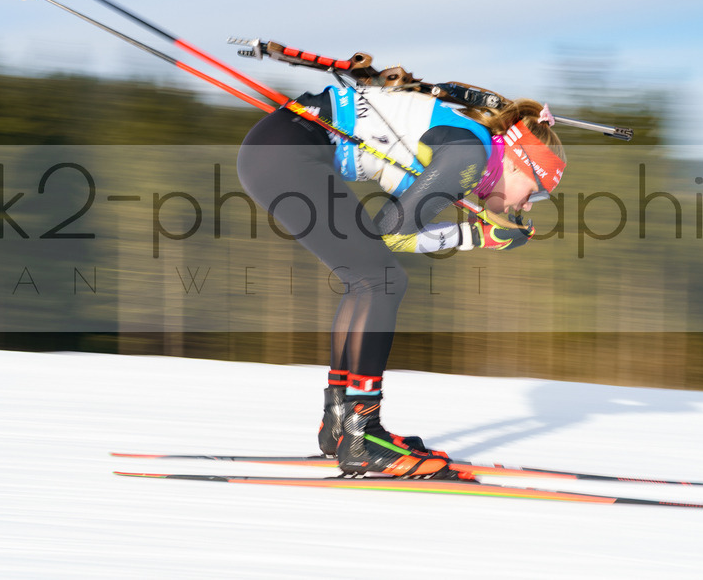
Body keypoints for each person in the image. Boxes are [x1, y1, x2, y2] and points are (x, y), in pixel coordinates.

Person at [236, 81, 566, 480]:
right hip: (287, 153)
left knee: (370, 278)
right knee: (382, 281)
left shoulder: (469, 147)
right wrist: (478, 237)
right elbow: (392, 233)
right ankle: (362, 436)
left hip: (279, 148)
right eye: (536, 191)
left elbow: (391, 229)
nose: (528, 205)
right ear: (515, 161)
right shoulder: (471, 155)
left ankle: (342, 422)